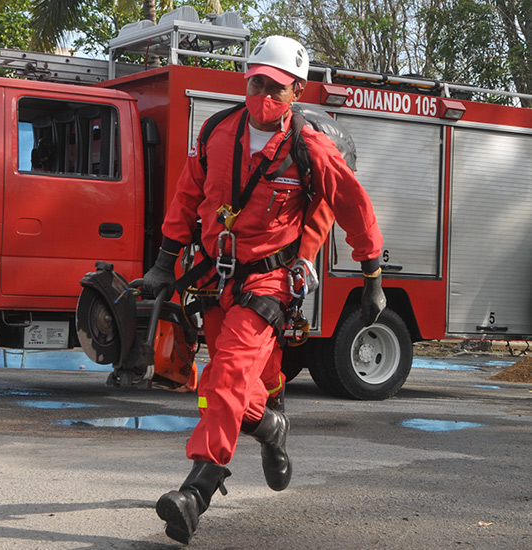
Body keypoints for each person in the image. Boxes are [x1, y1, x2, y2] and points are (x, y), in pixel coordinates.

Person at [144, 35, 386, 544]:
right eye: (256, 82)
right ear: (246, 79)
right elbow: (188, 196)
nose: (263, 95)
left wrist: (372, 278)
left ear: (295, 90)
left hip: (270, 280)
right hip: (213, 277)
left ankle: (198, 488)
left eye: (276, 87)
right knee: (238, 389)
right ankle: (271, 428)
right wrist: (165, 264)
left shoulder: (309, 148)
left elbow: (355, 208)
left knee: (226, 373)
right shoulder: (215, 133)